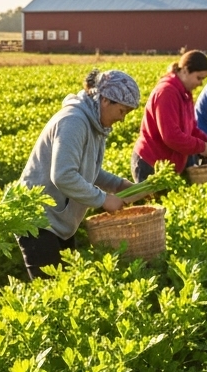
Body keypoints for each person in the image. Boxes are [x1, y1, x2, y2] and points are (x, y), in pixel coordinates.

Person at [16, 69, 139, 278]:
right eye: (122, 111)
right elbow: (63, 175)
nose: (122, 119)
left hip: (59, 221)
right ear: (105, 100)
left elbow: (87, 170)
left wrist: (118, 185)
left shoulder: (95, 124)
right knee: (51, 289)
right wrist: (103, 199)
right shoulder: (74, 121)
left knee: (67, 286)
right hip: (38, 220)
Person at [131, 50, 207, 181]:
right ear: (185, 70)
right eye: (199, 78)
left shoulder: (185, 93)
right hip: (151, 163)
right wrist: (203, 147)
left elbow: (191, 130)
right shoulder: (167, 92)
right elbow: (171, 136)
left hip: (169, 164)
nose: (201, 83)